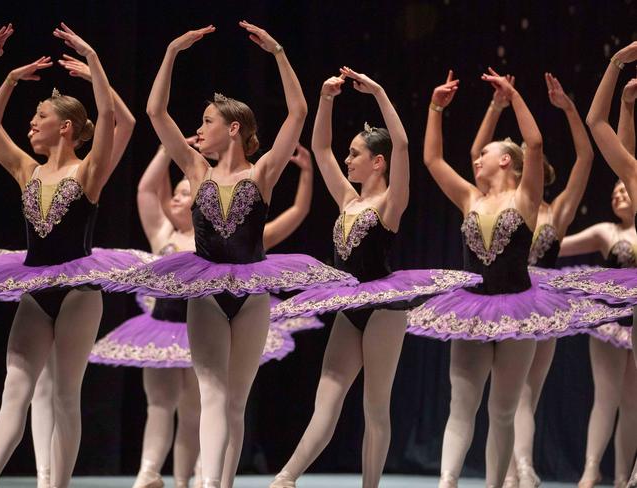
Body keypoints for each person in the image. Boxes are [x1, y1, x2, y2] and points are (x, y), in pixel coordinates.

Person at [104, 22, 354, 488]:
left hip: (253, 290)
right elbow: (156, 112)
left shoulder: (262, 173)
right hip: (204, 289)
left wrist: (279, 52)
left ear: (233, 128)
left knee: (235, 400)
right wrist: (173, 51)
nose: (199, 130)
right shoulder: (196, 169)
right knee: (213, 392)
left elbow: (298, 111)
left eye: (206, 122)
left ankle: (221, 482)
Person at [269, 68, 481, 488]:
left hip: (384, 309)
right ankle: (286, 477)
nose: (347, 160)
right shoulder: (347, 200)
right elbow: (321, 146)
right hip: (349, 308)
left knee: (374, 406)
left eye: (355, 154)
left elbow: (402, 144)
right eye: (348, 154)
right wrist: (326, 99)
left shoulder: (390, 203)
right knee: (326, 399)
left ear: (377, 162)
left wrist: (380, 91)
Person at [407, 69, 604, 488]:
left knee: (502, 409)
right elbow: (431, 160)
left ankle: (498, 483)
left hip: (518, 309)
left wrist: (514, 95)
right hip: (472, 307)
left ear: (506, 161)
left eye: (485, 154)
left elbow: (534, 143)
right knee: (462, 403)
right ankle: (447, 481)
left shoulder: (527, 198)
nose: (475, 158)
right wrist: (434, 109)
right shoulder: (469, 197)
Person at [89, 142, 321, 488]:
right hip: (163, 330)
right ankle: (149, 472)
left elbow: (296, 214)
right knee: (160, 404)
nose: (178, 199)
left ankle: (197, 476)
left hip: (205, 321)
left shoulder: (217, 240)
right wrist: (168, 148)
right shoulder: (162, 233)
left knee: (199, 409)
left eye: (186, 193)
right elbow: (146, 189)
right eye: (177, 194)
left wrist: (304, 175)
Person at [0, 23, 142, 487]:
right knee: (15, 388)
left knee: (64, 397)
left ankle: (56, 485)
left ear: (66, 127)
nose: (31, 123)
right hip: (35, 288)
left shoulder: (88, 170)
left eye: (40, 117)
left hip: (77, 291)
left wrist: (93, 60)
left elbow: (117, 121)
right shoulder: (26, 169)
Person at [468, 71, 593, 488]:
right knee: (504, 393)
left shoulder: (555, 212)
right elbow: (474, 154)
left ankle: (522, 468)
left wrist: (570, 109)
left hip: (541, 303)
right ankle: (512, 470)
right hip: (504, 293)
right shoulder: (501, 203)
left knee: (527, 392)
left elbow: (586, 159)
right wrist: (495, 108)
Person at [558, 180, 637, 488]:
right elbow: (558, 245)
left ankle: (623, 477)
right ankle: (590, 471)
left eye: (624, 189)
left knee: (633, 404)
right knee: (606, 398)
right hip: (611, 321)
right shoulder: (607, 231)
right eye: (613, 190)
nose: (617, 193)